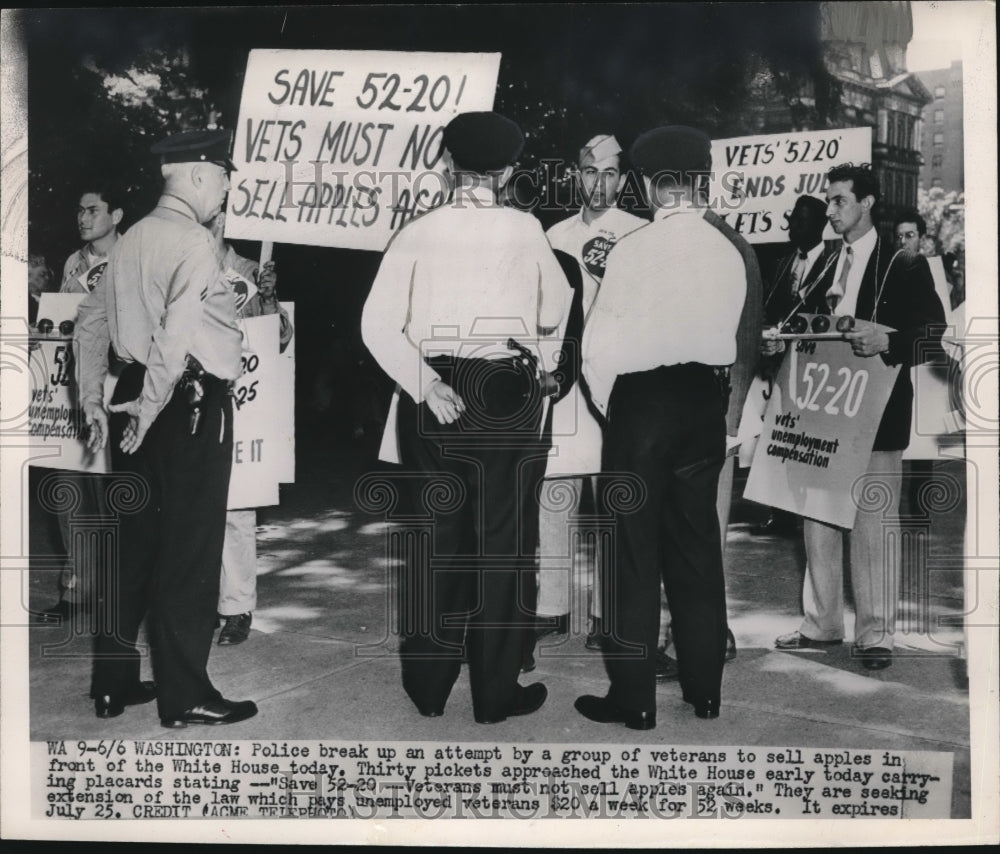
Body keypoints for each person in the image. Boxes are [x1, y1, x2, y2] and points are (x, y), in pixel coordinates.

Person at [361, 111, 571, 724]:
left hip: (435, 393)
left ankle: (427, 687)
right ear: (507, 171)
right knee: (502, 547)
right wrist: (537, 355)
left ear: (448, 164)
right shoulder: (527, 228)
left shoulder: (417, 233)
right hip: (503, 390)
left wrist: (426, 382)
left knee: (436, 541)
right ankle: (495, 694)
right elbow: (556, 306)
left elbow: (377, 325)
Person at [74, 129, 257, 727]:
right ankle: (186, 696)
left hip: (133, 394)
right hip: (186, 403)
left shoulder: (126, 243)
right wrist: (151, 411)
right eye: (226, 179)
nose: (228, 191)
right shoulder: (195, 242)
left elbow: (90, 325)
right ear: (200, 176)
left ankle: (114, 684)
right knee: (189, 551)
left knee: (133, 547)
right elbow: (177, 338)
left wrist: (94, 402)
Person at [577, 125, 747, 728]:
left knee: (630, 555)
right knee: (698, 551)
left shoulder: (633, 250)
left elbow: (596, 351)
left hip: (642, 406)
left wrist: (615, 410)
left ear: (649, 186)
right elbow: (730, 341)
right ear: (702, 181)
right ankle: (705, 693)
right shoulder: (727, 250)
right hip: (705, 401)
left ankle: (634, 699)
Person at [773, 163, 946, 670]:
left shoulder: (904, 264)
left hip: (876, 411)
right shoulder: (825, 262)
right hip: (823, 410)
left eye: (839, 200)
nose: (830, 211)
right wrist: (777, 336)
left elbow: (935, 334)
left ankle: (875, 634)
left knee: (871, 522)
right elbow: (800, 322)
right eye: (828, 201)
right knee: (819, 520)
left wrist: (889, 340)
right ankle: (822, 623)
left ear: (868, 203)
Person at [538, 134, 646, 650]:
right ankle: (551, 605)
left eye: (608, 173)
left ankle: (608, 612)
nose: (597, 182)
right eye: (587, 170)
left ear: (623, 180)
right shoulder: (552, 235)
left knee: (612, 502)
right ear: (574, 174)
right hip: (562, 383)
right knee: (553, 494)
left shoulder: (639, 234)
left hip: (614, 382)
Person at [34, 186, 124, 625]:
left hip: (117, 385)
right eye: (80, 210)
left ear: (117, 214)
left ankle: (121, 589)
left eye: (93, 209)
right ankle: (78, 589)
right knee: (71, 491)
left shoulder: (133, 256)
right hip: (75, 389)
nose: (83, 217)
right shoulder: (73, 263)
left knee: (115, 493)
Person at [207, 211, 293, 646]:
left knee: (235, 512)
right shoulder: (175, 263)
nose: (213, 223)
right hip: (188, 399)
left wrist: (269, 299)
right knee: (188, 507)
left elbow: (278, 339)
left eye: (221, 218)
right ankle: (196, 600)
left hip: (240, 403)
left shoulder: (251, 273)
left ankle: (236, 608)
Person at [750, 194, 830, 539]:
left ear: (819, 224)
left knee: (810, 440)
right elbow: (769, 305)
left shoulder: (835, 262)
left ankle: (809, 510)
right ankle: (781, 512)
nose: (791, 226)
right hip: (782, 365)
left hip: (816, 367)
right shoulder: (781, 261)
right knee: (780, 437)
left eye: (800, 220)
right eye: (791, 218)